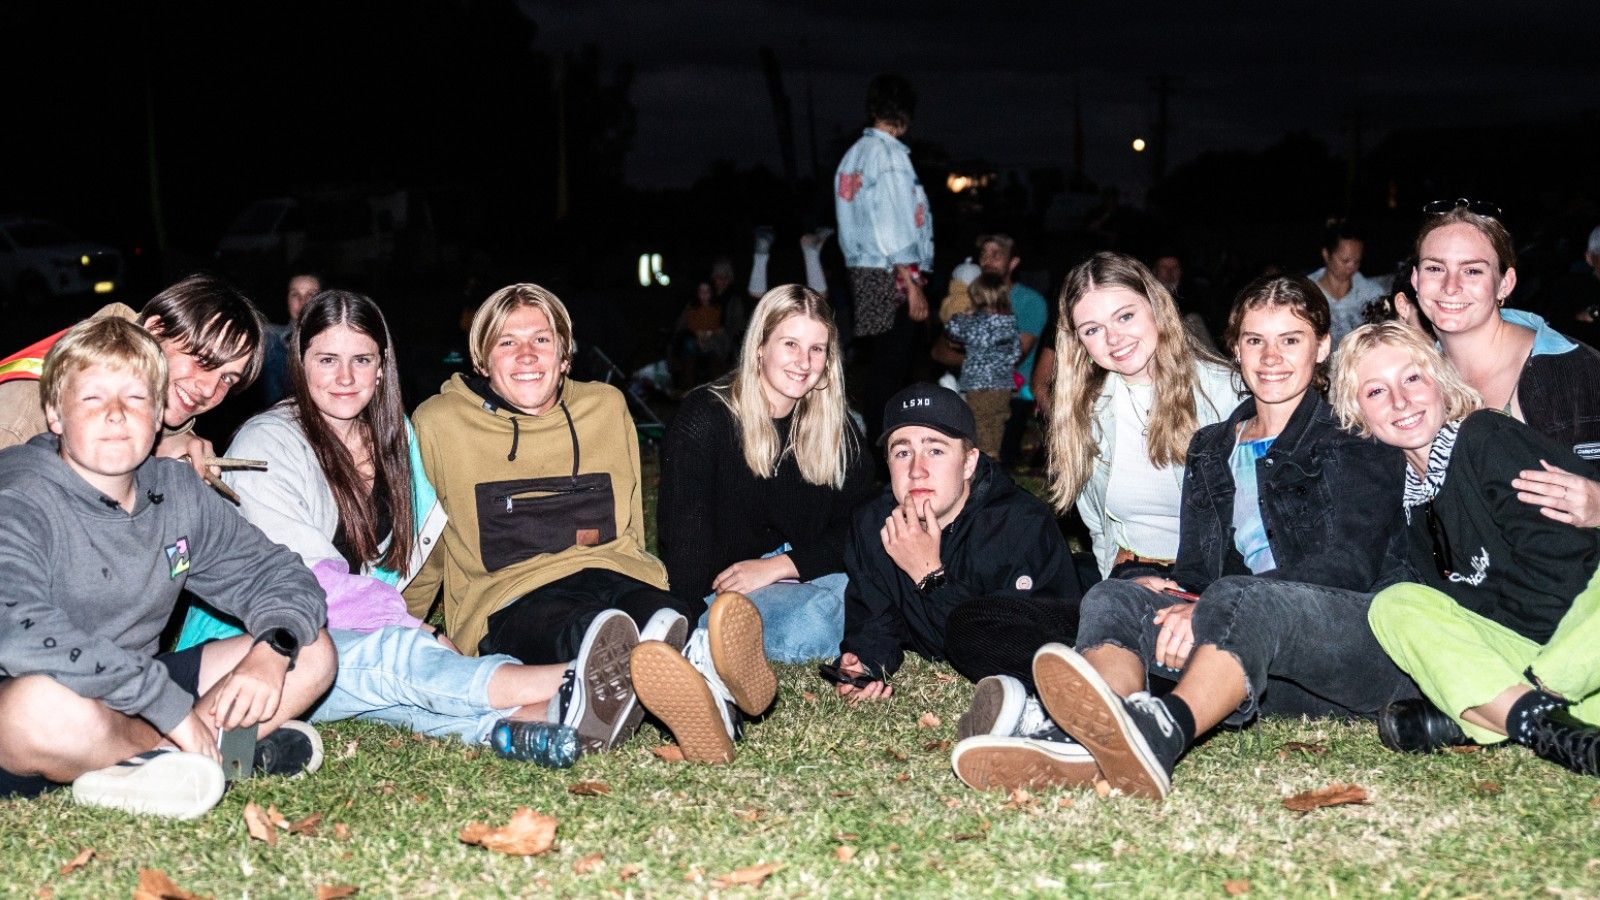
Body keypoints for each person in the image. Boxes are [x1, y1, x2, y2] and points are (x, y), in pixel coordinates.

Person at [996, 276, 1415, 801]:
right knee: (1114, 594)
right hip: (1254, 665)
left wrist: (1211, 605)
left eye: (1291, 339)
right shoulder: (1212, 446)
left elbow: (1349, 567)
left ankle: (1161, 729)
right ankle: (1102, 730)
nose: (1271, 356)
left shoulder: (1356, 437)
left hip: (1350, 646)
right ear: (1235, 349)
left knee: (1243, 596)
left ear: (1323, 346)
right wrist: (1155, 584)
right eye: (1254, 340)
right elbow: (1197, 572)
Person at [176, 290, 645, 753]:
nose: (345, 377)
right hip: (262, 646)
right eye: (326, 360)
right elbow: (315, 589)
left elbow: (422, 554)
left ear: (382, 368)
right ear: (299, 362)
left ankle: (538, 721)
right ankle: (579, 679)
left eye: (361, 360)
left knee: (404, 694)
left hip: (345, 641)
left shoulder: (395, 438)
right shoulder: (267, 445)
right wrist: (422, 631)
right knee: (398, 660)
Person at [405, 283, 776, 763]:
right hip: (512, 596)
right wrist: (401, 621)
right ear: (481, 359)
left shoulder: (604, 406)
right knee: (597, 630)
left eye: (541, 340)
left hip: (610, 571)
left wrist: (644, 576)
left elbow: (628, 520)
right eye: (506, 342)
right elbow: (425, 537)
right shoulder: (439, 423)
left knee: (656, 608)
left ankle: (696, 669)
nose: (526, 356)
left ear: (564, 355)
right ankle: (705, 676)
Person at [0, 318, 335, 818]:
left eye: (135, 399)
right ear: (54, 412)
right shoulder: (18, 492)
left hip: (134, 691)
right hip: (35, 695)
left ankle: (156, 770)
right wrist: (171, 710)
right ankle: (200, 753)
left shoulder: (175, 494)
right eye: (92, 399)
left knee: (312, 651)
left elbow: (278, 573)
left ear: (158, 413)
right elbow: (20, 631)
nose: (116, 416)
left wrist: (274, 649)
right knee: (42, 710)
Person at [1333, 321, 1600, 776]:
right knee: (1393, 605)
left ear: (1440, 381)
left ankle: (1510, 712)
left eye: (1412, 378)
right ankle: (1544, 726)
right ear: (1358, 415)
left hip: (1582, 642)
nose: (1400, 402)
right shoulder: (1405, 507)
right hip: (1548, 674)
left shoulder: (1485, 437)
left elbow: (1568, 572)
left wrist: (1535, 679)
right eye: (1376, 392)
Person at [659, 285, 874, 663]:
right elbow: (684, 536)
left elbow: (858, 526)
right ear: (760, 345)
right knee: (823, 620)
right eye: (790, 344)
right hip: (728, 588)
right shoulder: (707, 417)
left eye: (816, 349)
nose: (803, 362)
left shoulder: (835, 426)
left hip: (806, 570)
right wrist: (688, 615)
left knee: (877, 586)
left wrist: (779, 567)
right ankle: (708, 643)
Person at [833, 383, 1079, 701]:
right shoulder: (874, 524)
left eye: (935, 450)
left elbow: (994, 641)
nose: (916, 470)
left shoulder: (1017, 525)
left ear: (968, 463)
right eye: (902, 452)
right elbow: (874, 615)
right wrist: (866, 659)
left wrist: (929, 575)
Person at [1045, 252, 1239, 583]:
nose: (1113, 338)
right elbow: (1098, 528)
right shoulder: (1087, 412)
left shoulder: (1225, 394)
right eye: (1093, 330)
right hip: (1132, 576)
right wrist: (1114, 585)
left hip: (1215, 579)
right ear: (1078, 343)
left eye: (1124, 316)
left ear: (1155, 307)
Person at [1411, 199, 1600, 528]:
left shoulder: (1576, 370)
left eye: (1472, 270)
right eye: (1435, 268)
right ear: (1415, 280)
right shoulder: (1409, 382)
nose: (1450, 286)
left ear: (1505, 283)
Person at [0, 273, 264, 477]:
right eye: (203, 361)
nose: (209, 390)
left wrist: (175, 445)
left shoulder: (152, 393)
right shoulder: (27, 414)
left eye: (227, 378)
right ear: (155, 331)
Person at [835, 72, 934, 445]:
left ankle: (878, 446)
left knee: (882, 365)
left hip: (864, 271)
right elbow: (894, 223)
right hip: (893, 271)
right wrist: (911, 284)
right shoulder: (889, 155)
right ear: (905, 114)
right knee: (892, 368)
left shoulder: (853, 156)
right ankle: (882, 450)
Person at [974, 235, 1049, 469]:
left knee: (995, 461)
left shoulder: (1030, 301)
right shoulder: (969, 297)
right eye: (984, 255)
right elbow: (942, 353)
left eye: (996, 255)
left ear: (1013, 263)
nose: (988, 261)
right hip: (969, 386)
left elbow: (1015, 356)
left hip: (1015, 393)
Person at [946, 273, 1020, 458]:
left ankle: (985, 464)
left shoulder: (976, 322)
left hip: (980, 385)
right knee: (997, 421)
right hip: (1003, 385)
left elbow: (952, 328)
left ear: (979, 296)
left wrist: (965, 314)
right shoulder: (1010, 322)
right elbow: (1016, 352)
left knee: (979, 423)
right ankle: (994, 457)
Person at [1309, 220, 1385, 348]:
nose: (1351, 267)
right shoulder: (1307, 292)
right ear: (1326, 255)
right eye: (1345, 261)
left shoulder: (1372, 293)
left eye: (1357, 261)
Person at [257, 272, 323, 406]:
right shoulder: (271, 337)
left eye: (310, 295)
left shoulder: (339, 340)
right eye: (295, 294)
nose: (302, 301)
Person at [669, 281, 731, 393]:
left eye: (707, 292)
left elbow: (720, 328)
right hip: (693, 341)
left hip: (712, 342)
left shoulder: (717, 307)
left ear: (711, 293)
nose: (704, 295)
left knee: (716, 353)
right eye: (701, 291)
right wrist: (696, 333)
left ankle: (717, 392)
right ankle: (688, 389)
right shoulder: (691, 307)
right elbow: (685, 325)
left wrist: (710, 333)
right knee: (689, 346)